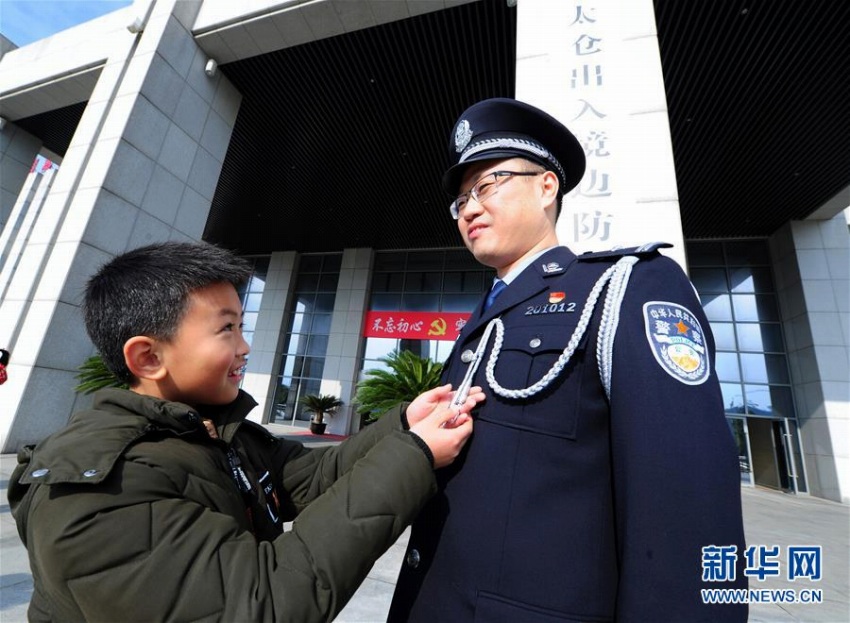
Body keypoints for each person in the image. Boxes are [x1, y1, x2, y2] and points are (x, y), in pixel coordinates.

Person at [388, 98, 748, 621]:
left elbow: (687, 506)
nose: (468, 209)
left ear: (546, 187)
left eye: (487, 185)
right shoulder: (484, 318)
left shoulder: (624, 288)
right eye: (461, 199)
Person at [8, 241, 484, 622]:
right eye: (227, 330)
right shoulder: (95, 492)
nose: (245, 347)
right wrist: (413, 455)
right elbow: (265, 602)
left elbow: (315, 477)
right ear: (149, 357)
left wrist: (404, 423)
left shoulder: (218, 432)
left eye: (242, 325)